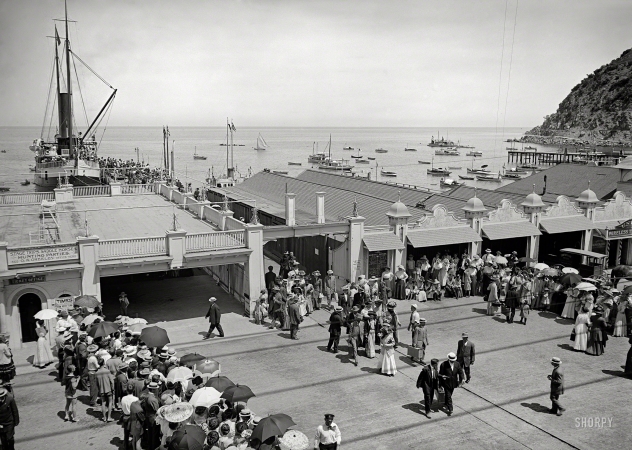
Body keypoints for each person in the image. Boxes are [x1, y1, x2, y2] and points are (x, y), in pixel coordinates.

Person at [95, 358, 115, 422]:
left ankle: (104, 417)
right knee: (110, 402)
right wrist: (113, 388)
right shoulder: (107, 371)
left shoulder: (97, 372)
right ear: (103, 363)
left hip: (101, 390)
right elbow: (112, 381)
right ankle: (109, 417)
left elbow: (96, 383)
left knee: (103, 403)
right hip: (108, 389)